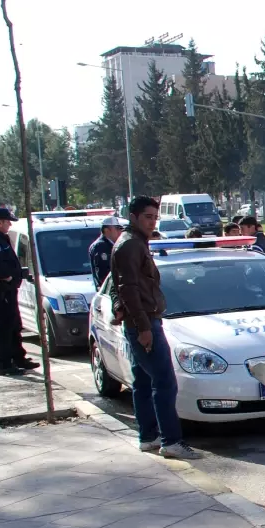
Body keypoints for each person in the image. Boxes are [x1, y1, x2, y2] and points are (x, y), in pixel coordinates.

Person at [110, 196, 198, 460]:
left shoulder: (134, 243)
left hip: (143, 320)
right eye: (148, 217)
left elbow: (122, 286)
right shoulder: (129, 245)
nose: (152, 222)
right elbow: (126, 287)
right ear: (134, 217)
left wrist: (122, 309)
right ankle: (171, 441)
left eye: (155, 217)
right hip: (145, 322)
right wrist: (142, 325)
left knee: (144, 382)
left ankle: (148, 436)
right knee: (165, 382)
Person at [0, 207, 37, 375]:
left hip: (4, 289)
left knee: (13, 324)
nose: (9, 225)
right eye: (7, 222)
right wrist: (7, 277)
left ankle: (17, 357)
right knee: (4, 325)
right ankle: (4, 363)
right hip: (0, 289)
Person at [89, 215, 123, 290]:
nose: (120, 231)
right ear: (107, 230)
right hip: (107, 292)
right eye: (117, 228)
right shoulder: (101, 246)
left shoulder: (111, 244)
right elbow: (103, 274)